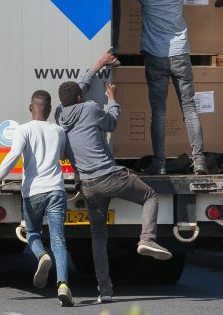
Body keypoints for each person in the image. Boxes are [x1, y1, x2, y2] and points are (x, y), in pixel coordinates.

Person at [55, 50, 171, 304]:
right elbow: (112, 124)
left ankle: (105, 291)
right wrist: (113, 99)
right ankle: (147, 239)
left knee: (98, 236)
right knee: (150, 196)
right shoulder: (89, 108)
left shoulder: (59, 116)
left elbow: (79, 86)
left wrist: (97, 65)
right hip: (110, 176)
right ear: (79, 98)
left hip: (87, 186)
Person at [0, 90, 74, 307]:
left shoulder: (23, 130)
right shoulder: (59, 131)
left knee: (31, 233)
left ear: (31, 107)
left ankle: (42, 256)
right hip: (56, 190)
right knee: (58, 239)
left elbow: (12, 157)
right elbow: (62, 156)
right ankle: (63, 285)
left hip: (33, 192)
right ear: (50, 110)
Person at [122, 0, 208, 175]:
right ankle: (199, 161)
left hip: (155, 56)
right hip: (180, 55)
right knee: (189, 108)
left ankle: (159, 164)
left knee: (158, 112)